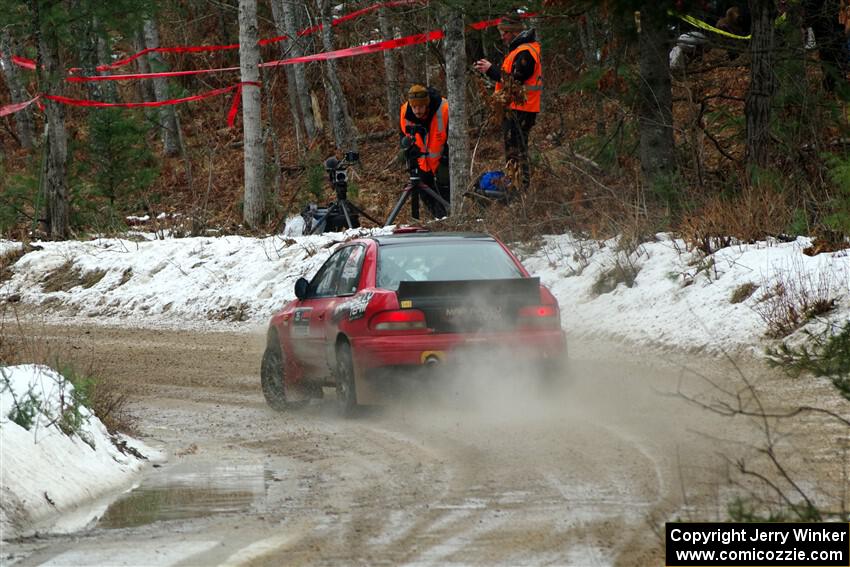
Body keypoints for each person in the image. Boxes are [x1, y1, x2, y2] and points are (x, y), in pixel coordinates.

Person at [473, 12, 542, 191]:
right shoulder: (519, 51)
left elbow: (515, 80)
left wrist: (491, 70)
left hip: (522, 109)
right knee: (514, 151)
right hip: (517, 109)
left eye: (504, 32)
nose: (502, 35)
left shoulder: (526, 52)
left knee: (516, 152)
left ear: (513, 32)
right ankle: (516, 188)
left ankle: (519, 191)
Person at [399, 84, 450, 217]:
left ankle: (447, 219)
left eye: (420, 106)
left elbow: (454, 136)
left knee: (445, 195)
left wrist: (446, 157)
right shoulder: (405, 112)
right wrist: (408, 151)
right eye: (414, 107)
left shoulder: (443, 108)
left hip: (442, 161)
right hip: (421, 163)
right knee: (426, 196)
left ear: (427, 104)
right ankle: (437, 219)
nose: (417, 111)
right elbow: (403, 136)